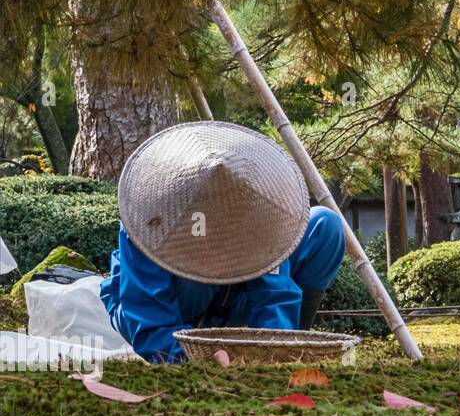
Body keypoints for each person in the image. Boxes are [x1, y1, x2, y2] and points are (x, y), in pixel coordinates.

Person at [100, 122, 345, 363]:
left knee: (325, 224)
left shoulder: (258, 214)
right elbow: (146, 315)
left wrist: (275, 354)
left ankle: (297, 344)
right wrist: (191, 358)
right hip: (169, 305)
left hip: (232, 299)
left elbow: (274, 292)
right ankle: (191, 339)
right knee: (193, 278)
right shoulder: (149, 216)